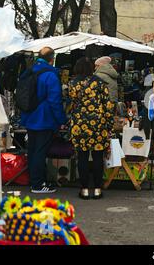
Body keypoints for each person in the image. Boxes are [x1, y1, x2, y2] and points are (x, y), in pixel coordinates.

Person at [20, 47, 67, 194]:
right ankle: (38, 185)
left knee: (33, 150)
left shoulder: (29, 71)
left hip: (29, 117)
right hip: (44, 119)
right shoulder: (50, 75)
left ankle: (34, 181)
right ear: (52, 59)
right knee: (40, 151)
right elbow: (55, 101)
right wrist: (62, 119)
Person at [68, 57, 115, 199]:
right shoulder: (100, 83)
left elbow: (71, 103)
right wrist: (109, 124)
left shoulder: (72, 84)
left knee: (82, 156)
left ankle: (84, 189)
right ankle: (97, 189)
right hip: (98, 124)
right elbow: (108, 105)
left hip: (79, 124)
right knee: (97, 157)